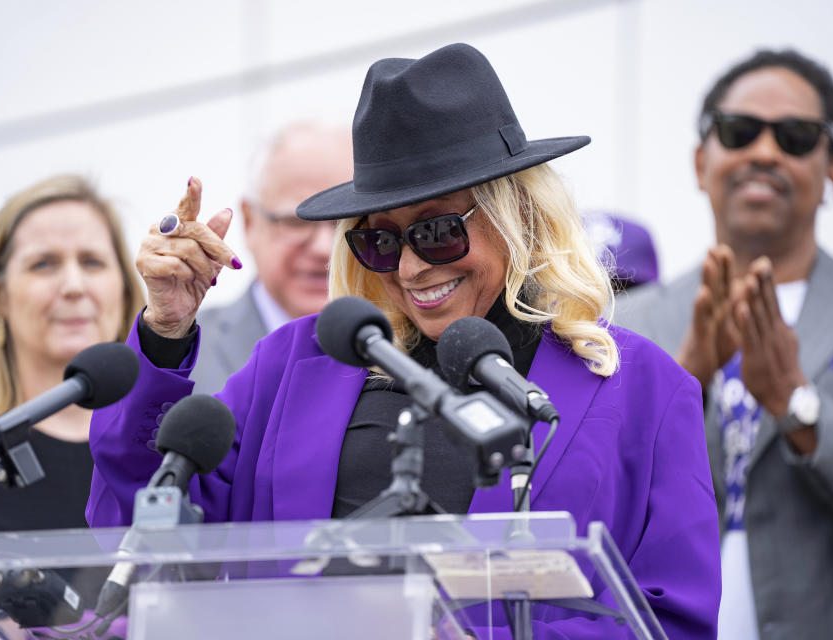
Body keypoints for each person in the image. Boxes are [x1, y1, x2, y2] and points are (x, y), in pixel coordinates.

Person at [87, 43, 721, 637]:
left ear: (517, 215)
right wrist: (166, 332)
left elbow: (674, 620)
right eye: (381, 240)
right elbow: (141, 528)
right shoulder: (293, 365)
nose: (413, 268)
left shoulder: (644, 390)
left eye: (439, 231)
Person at [615, 49, 833, 639]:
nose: (764, 152)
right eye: (739, 132)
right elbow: (592, 507)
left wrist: (797, 403)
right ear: (699, 160)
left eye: (795, 136)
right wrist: (684, 382)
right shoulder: (624, 325)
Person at [0, 174, 144, 636]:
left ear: (124, 289)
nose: (73, 285)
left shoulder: (167, 451)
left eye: (93, 262)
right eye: (44, 264)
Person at [192, 121, 353, 394]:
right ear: (250, 221)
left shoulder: (406, 346)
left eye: (345, 222)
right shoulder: (185, 354)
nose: (324, 248)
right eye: (297, 221)